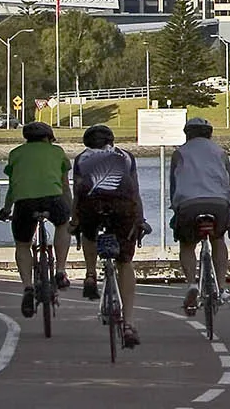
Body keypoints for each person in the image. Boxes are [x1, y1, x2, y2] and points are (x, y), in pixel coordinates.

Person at [71, 123, 145, 349]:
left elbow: (78, 191)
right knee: (125, 262)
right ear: (112, 141)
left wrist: (75, 220)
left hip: (92, 205)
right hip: (122, 206)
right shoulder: (126, 156)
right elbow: (135, 191)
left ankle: (90, 274)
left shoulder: (82, 158)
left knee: (88, 231)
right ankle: (129, 323)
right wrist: (140, 219)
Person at [0, 121, 71, 317]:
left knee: (22, 244)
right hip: (53, 199)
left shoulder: (16, 154)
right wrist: (71, 210)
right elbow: (65, 186)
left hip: (25, 203)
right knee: (63, 225)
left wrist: (6, 209)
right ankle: (60, 271)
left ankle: (28, 287)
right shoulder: (57, 152)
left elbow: (13, 187)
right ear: (49, 138)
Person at [169, 118, 230, 315]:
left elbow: (174, 185)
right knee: (218, 239)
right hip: (218, 203)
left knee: (187, 244)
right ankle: (221, 286)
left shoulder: (179, 153)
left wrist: (176, 208)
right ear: (210, 133)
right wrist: (228, 208)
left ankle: (191, 284)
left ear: (187, 134)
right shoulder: (220, 152)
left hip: (189, 204)